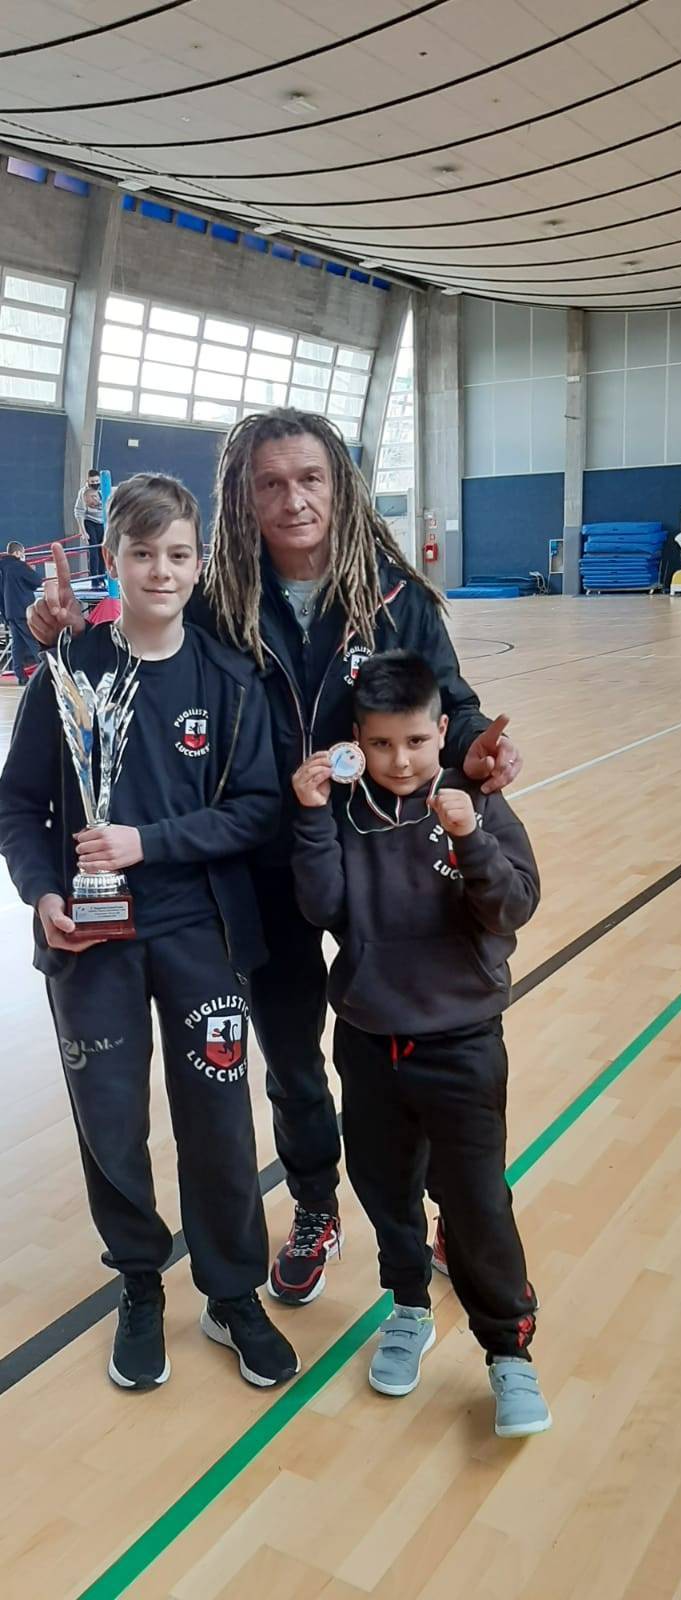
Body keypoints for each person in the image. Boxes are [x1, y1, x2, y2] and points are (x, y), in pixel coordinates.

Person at [27, 408, 524, 1309]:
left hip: (388, 863)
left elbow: (449, 707)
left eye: (309, 479)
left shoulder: (396, 597)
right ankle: (314, 1205)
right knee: (292, 1060)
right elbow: (143, 640)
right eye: (270, 483)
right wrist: (56, 639)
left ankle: (445, 1207)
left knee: (420, 1051)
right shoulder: (216, 598)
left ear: (339, 485)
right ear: (242, 497)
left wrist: (477, 747)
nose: (293, 500)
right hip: (264, 866)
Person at [0, 473, 300, 1394]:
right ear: (113, 561)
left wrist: (150, 842)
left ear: (199, 562)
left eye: (177, 554)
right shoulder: (67, 673)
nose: (161, 571)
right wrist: (42, 895)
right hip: (91, 944)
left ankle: (231, 1292)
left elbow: (257, 809)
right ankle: (138, 1282)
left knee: (218, 1119)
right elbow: (17, 805)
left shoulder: (228, 680)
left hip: (199, 934)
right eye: (142, 554)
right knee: (111, 1123)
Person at [290, 652, 551, 1438]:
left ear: (441, 732)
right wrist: (310, 817)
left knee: (475, 1201)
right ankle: (407, 1305)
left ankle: (507, 1350)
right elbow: (321, 908)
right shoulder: (346, 812)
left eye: (413, 742)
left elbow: (512, 907)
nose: (398, 761)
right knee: (384, 1188)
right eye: (379, 745)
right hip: (370, 1040)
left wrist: (469, 837)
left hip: (461, 1044)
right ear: (356, 741)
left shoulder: (475, 802)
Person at [0, 542, 41, 685]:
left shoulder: (2, 569)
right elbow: (37, 581)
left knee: (17, 644)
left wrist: (4, 614)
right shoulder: (19, 566)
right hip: (23, 610)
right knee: (34, 641)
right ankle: (45, 671)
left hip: (10, 612)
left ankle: (20, 675)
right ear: (18, 553)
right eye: (23, 553)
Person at [74, 467, 105, 588]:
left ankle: (102, 578)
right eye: (92, 482)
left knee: (103, 551)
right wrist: (83, 531)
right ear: (88, 481)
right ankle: (94, 581)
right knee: (93, 552)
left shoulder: (104, 490)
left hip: (102, 522)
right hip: (90, 521)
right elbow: (79, 512)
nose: (95, 484)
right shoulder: (83, 492)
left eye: (97, 481)